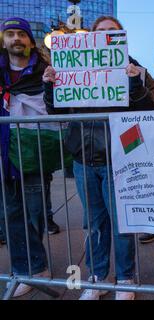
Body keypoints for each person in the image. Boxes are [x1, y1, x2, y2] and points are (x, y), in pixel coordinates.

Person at [43, 16, 154, 300]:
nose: (107, 35)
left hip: (119, 160)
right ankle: (98, 277)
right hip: (84, 160)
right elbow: (56, 112)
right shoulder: (71, 70)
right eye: (101, 32)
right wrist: (50, 86)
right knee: (94, 222)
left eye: (113, 32)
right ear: (91, 38)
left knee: (121, 222)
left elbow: (153, 111)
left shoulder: (138, 70)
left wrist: (135, 84)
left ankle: (125, 278)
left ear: (121, 37)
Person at [0, 17, 59, 297]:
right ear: (3, 40)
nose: (16, 39)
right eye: (10, 34)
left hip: (34, 153)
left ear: (30, 41)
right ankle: (27, 270)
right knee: (11, 215)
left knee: (34, 213)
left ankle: (38, 268)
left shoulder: (44, 72)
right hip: (3, 155)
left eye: (21, 34)